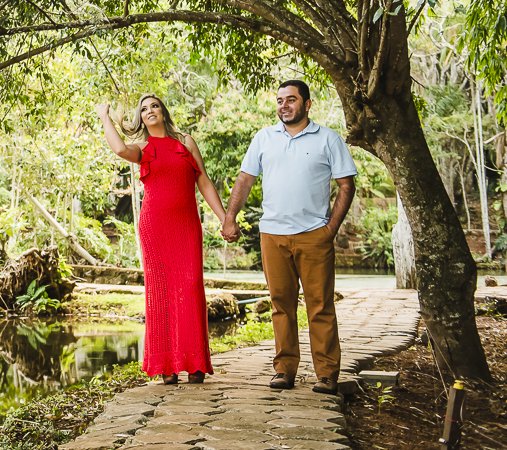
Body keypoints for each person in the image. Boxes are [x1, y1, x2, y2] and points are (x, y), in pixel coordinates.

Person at [221, 80, 357, 394]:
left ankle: (326, 375)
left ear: (307, 104)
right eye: (280, 100)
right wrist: (230, 217)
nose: (284, 105)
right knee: (281, 305)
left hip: (314, 235)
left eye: (291, 100)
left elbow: (346, 186)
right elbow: (245, 180)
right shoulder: (264, 137)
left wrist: (330, 230)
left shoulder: (328, 139)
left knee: (320, 306)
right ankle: (284, 371)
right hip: (272, 234)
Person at [96, 94, 228, 384]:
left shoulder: (185, 142)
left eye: (154, 105)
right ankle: (166, 365)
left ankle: (194, 362)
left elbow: (203, 180)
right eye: (143, 109)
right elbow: (118, 149)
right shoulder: (143, 147)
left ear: (163, 111)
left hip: (186, 225)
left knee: (191, 285)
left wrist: (224, 218)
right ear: (141, 118)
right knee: (161, 292)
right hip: (154, 225)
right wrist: (105, 116)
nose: (149, 111)